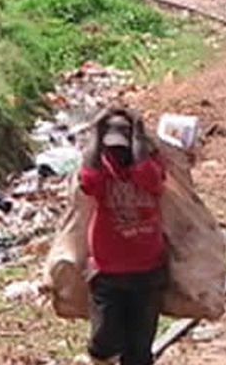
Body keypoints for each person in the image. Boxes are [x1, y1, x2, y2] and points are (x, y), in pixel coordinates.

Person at [80, 108, 166, 365]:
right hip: (108, 272)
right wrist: (96, 131)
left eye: (122, 147)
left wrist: (139, 138)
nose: (116, 153)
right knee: (104, 340)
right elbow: (87, 181)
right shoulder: (101, 170)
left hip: (148, 271)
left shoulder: (150, 167)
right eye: (111, 147)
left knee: (139, 350)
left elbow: (150, 179)